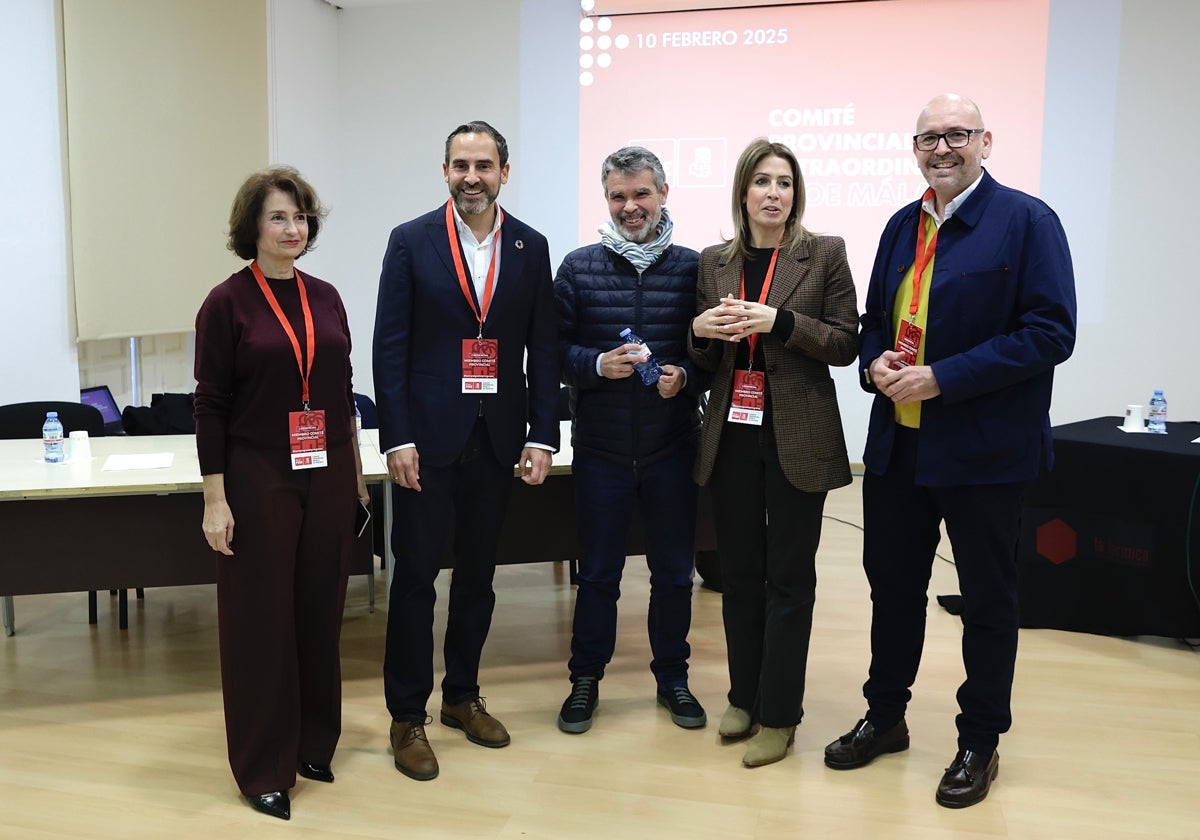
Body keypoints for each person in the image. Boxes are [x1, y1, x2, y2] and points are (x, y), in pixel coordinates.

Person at [823, 94, 1077, 808]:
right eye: (928, 138)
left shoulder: (1027, 221)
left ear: (985, 142)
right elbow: (877, 320)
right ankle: (887, 716)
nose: (942, 148)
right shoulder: (902, 224)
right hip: (899, 451)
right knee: (893, 592)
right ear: (915, 148)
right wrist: (874, 362)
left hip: (985, 454)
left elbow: (1051, 332)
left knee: (990, 604)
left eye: (956, 135)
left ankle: (979, 741)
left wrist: (944, 377)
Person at [373, 121, 559, 781]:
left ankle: (461, 696)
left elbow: (545, 349)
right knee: (416, 580)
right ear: (444, 169)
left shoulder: (532, 247)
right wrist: (394, 435)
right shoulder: (411, 241)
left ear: (505, 171)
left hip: (498, 439)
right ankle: (406, 716)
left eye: (484, 165)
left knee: (478, 579)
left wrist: (543, 432)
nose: (471, 177)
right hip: (425, 442)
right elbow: (389, 348)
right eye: (460, 164)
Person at [194, 166, 369, 821]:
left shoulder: (325, 296)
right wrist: (216, 499)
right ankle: (263, 765)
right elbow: (209, 405)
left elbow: (341, 391)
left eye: (299, 217)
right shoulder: (227, 302)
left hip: (325, 471)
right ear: (253, 228)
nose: (292, 228)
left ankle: (312, 742)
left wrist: (354, 483)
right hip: (257, 473)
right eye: (278, 217)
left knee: (320, 611)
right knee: (260, 623)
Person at [688, 139, 859, 767]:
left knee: (789, 579)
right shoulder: (713, 263)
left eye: (784, 183)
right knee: (737, 575)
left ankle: (781, 715)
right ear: (742, 191)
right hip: (731, 433)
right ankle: (743, 694)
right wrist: (699, 334)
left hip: (799, 436)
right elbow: (703, 360)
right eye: (762, 181)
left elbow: (845, 343)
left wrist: (778, 322)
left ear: (796, 193)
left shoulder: (824, 255)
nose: (773, 193)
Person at [553, 146, 708, 734]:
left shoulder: (695, 267)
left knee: (673, 574)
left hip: (673, 448)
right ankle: (585, 679)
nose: (630, 206)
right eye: (618, 196)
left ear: (663, 194)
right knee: (597, 576)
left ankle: (672, 678)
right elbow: (553, 350)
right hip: (602, 452)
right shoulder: (577, 267)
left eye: (641, 193)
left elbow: (712, 355)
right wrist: (596, 365)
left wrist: (686, 377)